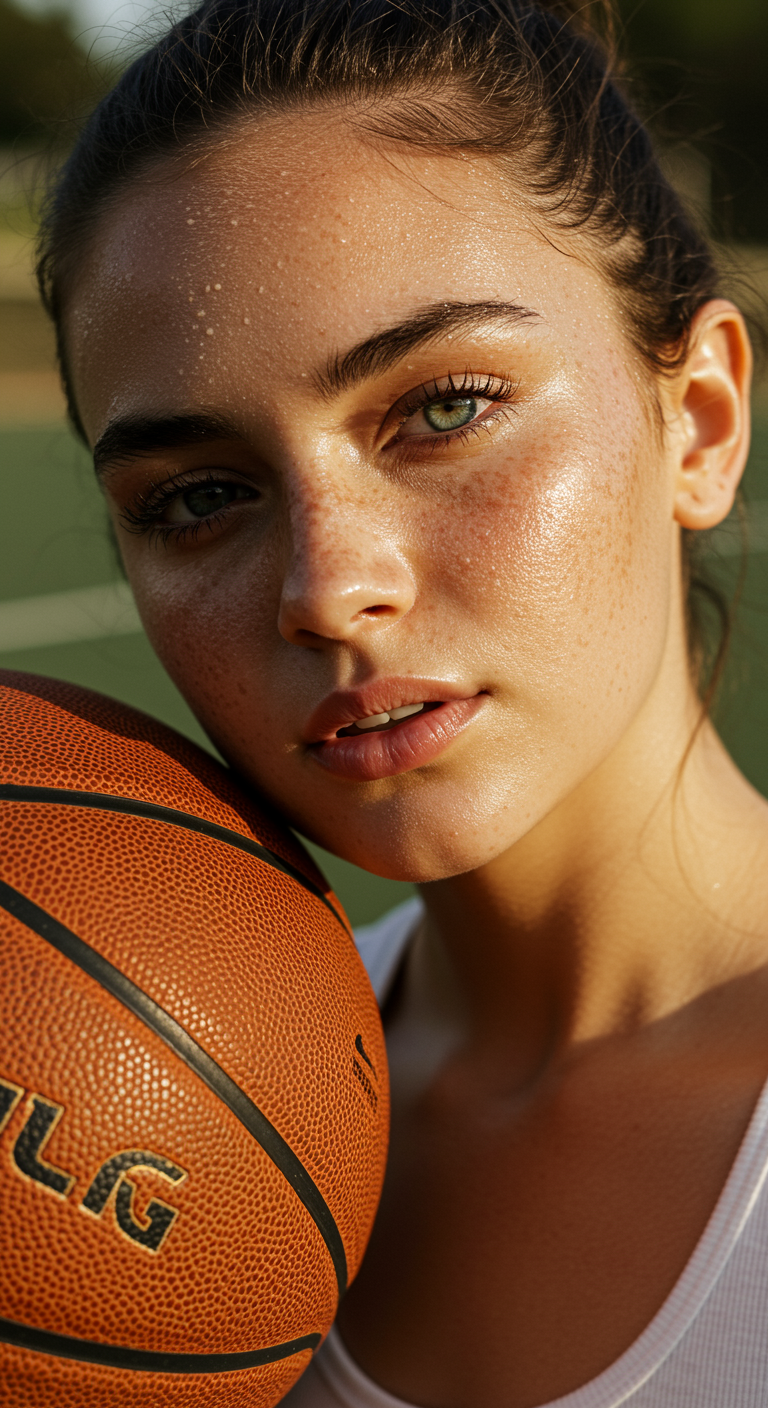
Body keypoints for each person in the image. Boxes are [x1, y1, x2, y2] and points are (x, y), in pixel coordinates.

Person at [36, 0, 768, 1403]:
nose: (326, 584)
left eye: (443, 409)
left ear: (703, 422)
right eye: (197, 496)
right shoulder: (110, 1124)